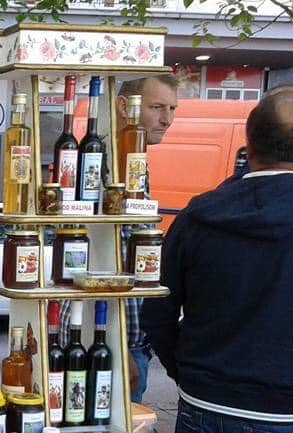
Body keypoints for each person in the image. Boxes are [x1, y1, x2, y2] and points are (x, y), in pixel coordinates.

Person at [142, 86, 293, 433]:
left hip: (205, 405)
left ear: (248, 147)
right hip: (285, 414)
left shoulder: (197, 213)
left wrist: (188, 371)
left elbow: (157, 311)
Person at [116, 74, 179, 404]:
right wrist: (118, 347)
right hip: (116, 344)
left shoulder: (135, 164)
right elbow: (95, 262)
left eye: (172, 108)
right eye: (157, 107)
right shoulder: (109, 164)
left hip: (134, 342)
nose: (167, 119)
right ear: (126, 106)